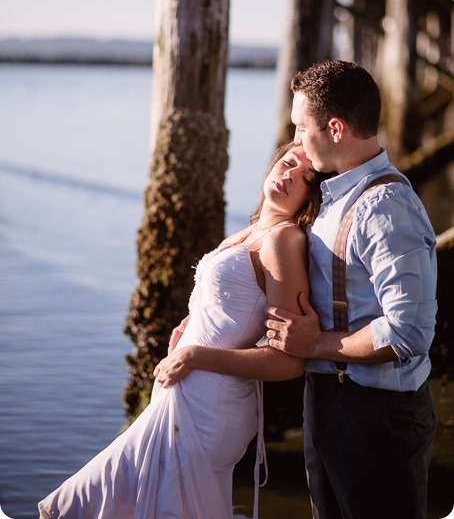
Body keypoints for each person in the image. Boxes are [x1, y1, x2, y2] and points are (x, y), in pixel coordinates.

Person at [38, 142, 324, 519]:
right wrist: (191, 321)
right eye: (287, 163)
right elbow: (231, 309)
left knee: (71, 505)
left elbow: (289, 362)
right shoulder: (251, 232)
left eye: (304, 178)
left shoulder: (283, 240)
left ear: (309, 200)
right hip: (183, 393)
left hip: (208, 408)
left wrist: (195, 354)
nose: (288, 174)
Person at [263, 60, 438, 519]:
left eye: (302, 128)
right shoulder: (332, 196)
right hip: (333, 404)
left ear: (335, 128)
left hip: (377, 414)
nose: (297, 141)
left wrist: (316, 343)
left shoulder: (385, 208)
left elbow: (408, 333)